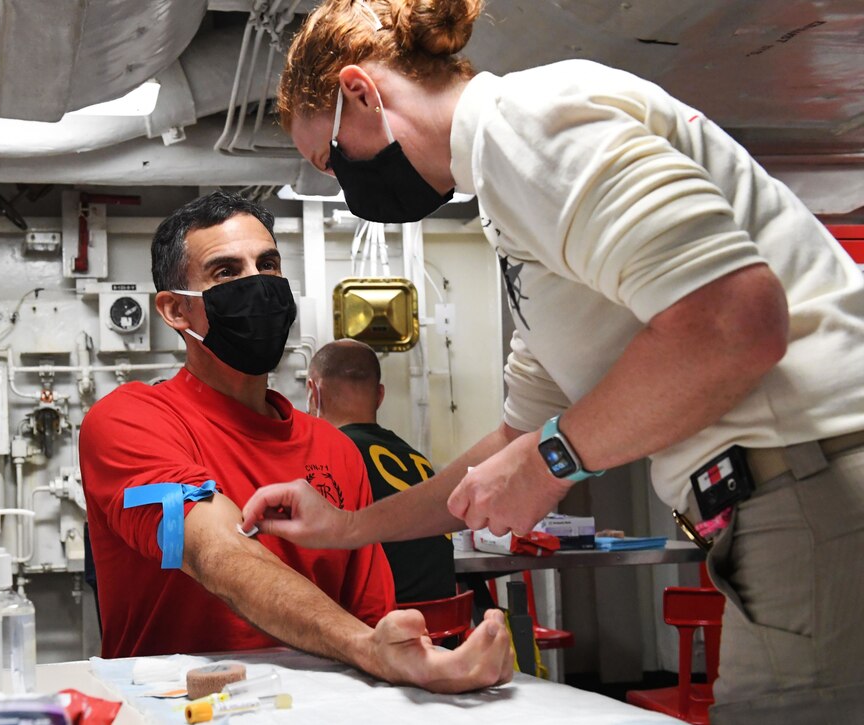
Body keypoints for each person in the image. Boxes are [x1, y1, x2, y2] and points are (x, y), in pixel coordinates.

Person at [241, 1, 864, 722]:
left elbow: (735, 319)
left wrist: (552, 460)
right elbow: (513, 438)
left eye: (331, 157)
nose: (346, 185)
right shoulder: (511, 200)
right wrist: (345, 527)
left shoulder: (524, 125)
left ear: (361, 92)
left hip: (813, 485)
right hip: (792, 496)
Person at [80, 190, 512, 694]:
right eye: (226, 272)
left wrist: (406, 654)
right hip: (177, 708)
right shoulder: (129, 422)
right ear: (176, 310)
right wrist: (364, 647)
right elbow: (213, 552)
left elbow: (371, 616)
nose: (258, 285)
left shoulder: (333, 449)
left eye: (268, 265)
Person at [308, 339, 455, 603]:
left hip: (381, 632)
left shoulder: (329, 457)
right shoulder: (417, 460)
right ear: (380, 396)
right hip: (445, 631)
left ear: (313, 393)